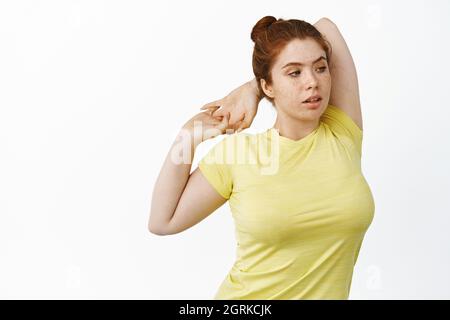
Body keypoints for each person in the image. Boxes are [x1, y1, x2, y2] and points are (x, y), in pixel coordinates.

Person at [149, 16, 375, 300]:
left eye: (320, 68)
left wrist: (252, 89)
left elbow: (327, 26)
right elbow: (162, 221)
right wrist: (187, 137)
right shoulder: (239, 155)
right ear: (269, 86)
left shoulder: (343, 132)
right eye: (294, 73)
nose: (312, 82)